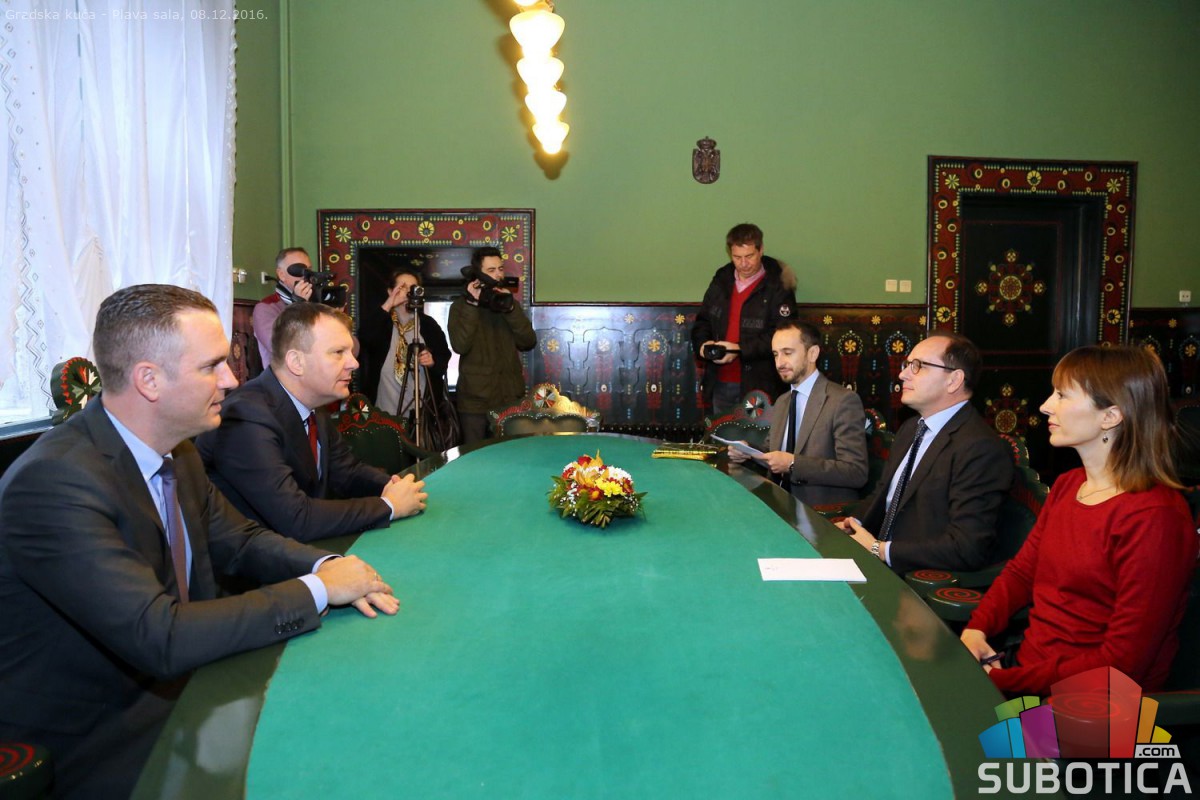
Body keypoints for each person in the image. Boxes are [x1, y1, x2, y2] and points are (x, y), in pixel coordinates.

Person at [0, 285, 397, 799]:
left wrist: (327, 565)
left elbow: (241, 540)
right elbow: (160, 635)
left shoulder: (178, 451)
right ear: (149, 380)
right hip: (99, 734)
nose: (231, 379)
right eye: (211, 366)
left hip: (186, 686)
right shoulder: (55, 482)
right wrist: (318, 590)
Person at [961, 346, 1197, 697]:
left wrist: (1005, 682)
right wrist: (976, 629)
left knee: (958, 728)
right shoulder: (1069, 485)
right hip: (1029, 675)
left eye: (1062, 395)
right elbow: (1022, 574)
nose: (1045, 406)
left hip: (1097, 707)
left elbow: (1122, 663)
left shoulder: (1156, 518)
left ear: (1110, 416)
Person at [197, 302, 428, 542]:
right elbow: (296, 518)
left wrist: (395, 486)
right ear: (296, 362)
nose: (354, 363)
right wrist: (389, 506)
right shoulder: (245, 416)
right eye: (338, 352)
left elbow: (346, 472)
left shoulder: (312, 404)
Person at [838, 332, 1013, 573]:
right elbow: (886, 495)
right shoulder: (912, 428)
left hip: (917, 578)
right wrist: (852, 523)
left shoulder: (980, 448)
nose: (902, 374)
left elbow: (966, 547)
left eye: (918, 366)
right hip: (877, 559)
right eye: (907, 364)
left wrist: (880, 550)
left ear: (954, 380)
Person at [727, 321, 868, 506]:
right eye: (775, 354)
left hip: (821, 511)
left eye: (787, 353)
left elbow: (856, 472)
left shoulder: (842, 401)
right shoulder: (783, 401)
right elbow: (773, 454)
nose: (779, 363)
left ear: (812, 353)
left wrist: (793, 464)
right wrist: (748, 452)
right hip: (776, 504)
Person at [691, 223, 797, 418]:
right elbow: (703, 321)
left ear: (761, 250)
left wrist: (739, 349)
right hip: (720, 381)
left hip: (760, 384)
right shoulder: (722, 278)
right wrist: (703, 346)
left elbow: (784, 335)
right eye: (737, 257)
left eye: (749, 256)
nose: (743, 263)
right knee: (722, 435)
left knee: (757, 437)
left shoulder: (778, 284)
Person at [357, 268, 457, 450]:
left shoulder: (428, 325)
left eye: (413, 288)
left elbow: (443, 357)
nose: (408, 293)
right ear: (391, 291)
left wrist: (432, 361)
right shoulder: (382, 321)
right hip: (384, 410)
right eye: (403, 288)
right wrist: (389, 303)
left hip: (420, 414)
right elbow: (363, 338)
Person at [448, 246, 537, 445]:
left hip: (509, 399)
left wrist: (510, 308)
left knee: (509, 454)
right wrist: (472, 305)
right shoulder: (460, 307)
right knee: (475, 455)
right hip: (474, 403)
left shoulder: (509, 304)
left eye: (500, 269)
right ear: (478, 275)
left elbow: (528, 341)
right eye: (491, 270)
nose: (498, 275)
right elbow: (460, 345)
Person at [252, 246, 313, 368]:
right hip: (282, 377)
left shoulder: (316, 305)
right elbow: (279, 346)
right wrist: (299, 306)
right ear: (281, 274)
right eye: (298, 270)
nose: (305, 276)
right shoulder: (266, 308)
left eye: (309, 270)